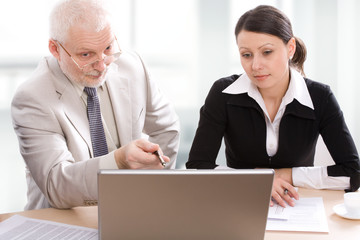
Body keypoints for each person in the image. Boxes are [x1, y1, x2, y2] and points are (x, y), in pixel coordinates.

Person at [11, 0, 180, 210]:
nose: (102, 66)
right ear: (55, 49)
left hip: (131, 208)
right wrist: (118, 161)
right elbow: (57, 185)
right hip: (64, 219)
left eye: (108, 48)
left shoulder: (132, 66)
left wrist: (147, 186)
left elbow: (167, 128)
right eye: (86, 55)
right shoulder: (33, 97)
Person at [186, 5, 360, 207]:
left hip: (297, 204)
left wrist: (283, 175)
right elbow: (197, 167)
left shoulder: (320, 97)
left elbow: (352, 173)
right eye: (246, 54)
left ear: (290, 48)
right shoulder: (223, 93)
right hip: (239, 201)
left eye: (267, 52)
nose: (255, 66)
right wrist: (255, 182)